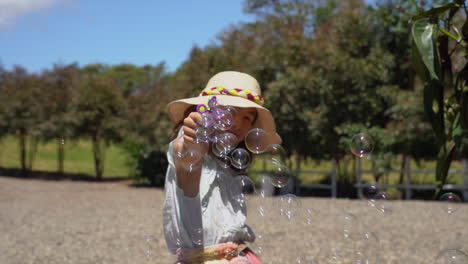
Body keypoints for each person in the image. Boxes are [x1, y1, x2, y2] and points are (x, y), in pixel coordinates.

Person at [163, 71, 281, 264]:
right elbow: (186, 160)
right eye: (230, 111)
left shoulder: (226, 165)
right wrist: (192, 148)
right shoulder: (192, 153)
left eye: (248, 118)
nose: (237, 123)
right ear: (205, 112)